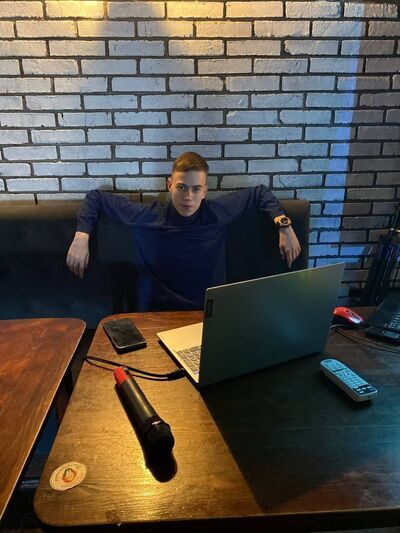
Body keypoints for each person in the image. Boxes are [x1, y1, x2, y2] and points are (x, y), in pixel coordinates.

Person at [67, 152, 301, 311]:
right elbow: (96, 198)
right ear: (170, 185)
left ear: (205, 191)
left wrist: (284, 225)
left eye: (196, 189)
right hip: (157, 316)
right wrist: (81, 236)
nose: (188, 197)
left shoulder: (217, 213)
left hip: (207, 314)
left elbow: (260, 193)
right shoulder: (148, 216)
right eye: (181, 187)